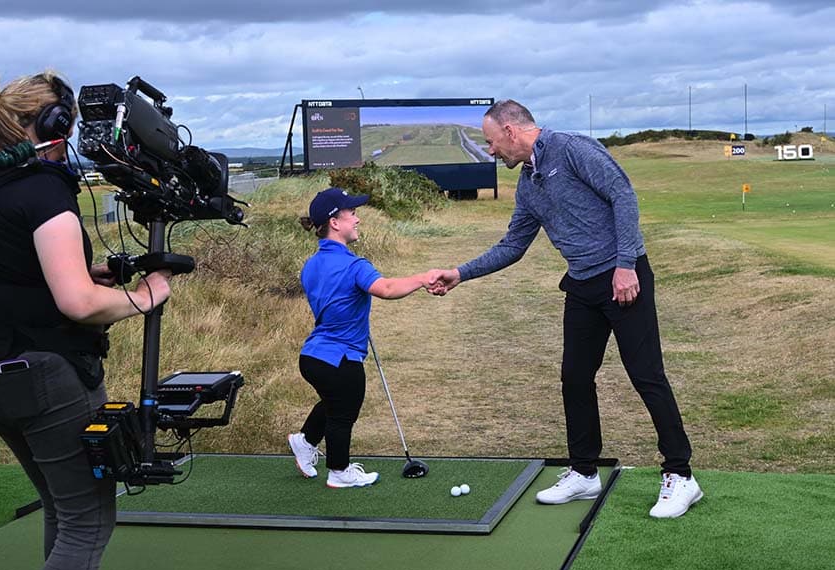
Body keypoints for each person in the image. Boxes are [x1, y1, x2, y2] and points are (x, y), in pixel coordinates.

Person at [428, 100, 702, 518]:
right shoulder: (528, 184)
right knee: (574, 378)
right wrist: (460, 273)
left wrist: (626, 265)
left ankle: (681, 476)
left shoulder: (573, 149)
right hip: (582, 285)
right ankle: (584, 472)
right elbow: (513, 246)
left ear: (511, 131)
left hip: (623, 279)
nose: (491, 151)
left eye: (491, 142)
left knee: (646, 375)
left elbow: (622, 196)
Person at [0, 71, 173, 570]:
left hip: (5, 371)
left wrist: (86, 270)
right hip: (46, 374)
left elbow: (15, 272)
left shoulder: (4, 187)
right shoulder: (44, 192)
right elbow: (77, 304)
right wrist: (144, 297)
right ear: (57, 123)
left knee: (61, 506)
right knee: (87, 522)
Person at [290, 187, 439, 489]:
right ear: (334, 222)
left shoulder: (311, 265)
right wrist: (423, 279)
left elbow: (335, 302)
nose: (357, 219)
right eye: (352, 213)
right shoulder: (355, 265)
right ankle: (339, 471)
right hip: (340, 357)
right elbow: (385, 289)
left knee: (333, 402)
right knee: (343, 412)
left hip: (313, 356)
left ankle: (304, 441)